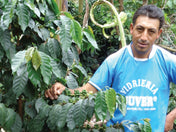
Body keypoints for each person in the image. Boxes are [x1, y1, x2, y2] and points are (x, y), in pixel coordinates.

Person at [45, 5, 176, 132]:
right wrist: (64, 91)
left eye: (151, 31)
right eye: (140, 29)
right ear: (131, 28)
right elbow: (88, 91)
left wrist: (171, 117)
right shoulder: (115, 61)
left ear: (158, 33)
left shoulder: (167, 61)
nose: (143, 37)